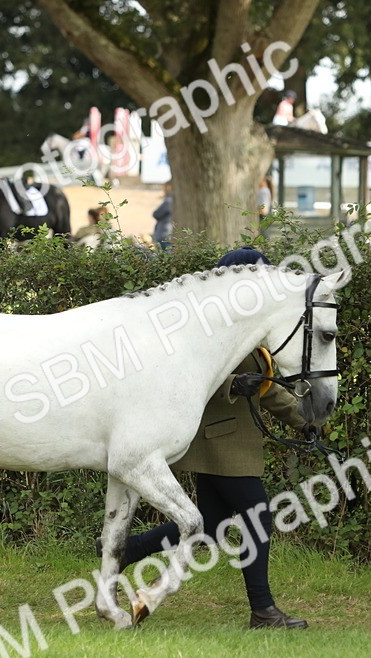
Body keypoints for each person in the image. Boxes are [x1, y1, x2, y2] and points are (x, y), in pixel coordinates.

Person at [100, 246, 311, 630]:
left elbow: (268, 388)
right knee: (257, 518)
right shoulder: (210, 332)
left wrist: (304, 419)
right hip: (219, 442)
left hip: (236, 442)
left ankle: (130, 549)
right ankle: (263, 610)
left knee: (212, 526)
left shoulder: (249, 333)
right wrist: (233, 383)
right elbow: (190, 381)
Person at [152, 182, 173, 251]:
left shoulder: (168, 201)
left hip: (164, 234)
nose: (164, 190)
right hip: (166, 233)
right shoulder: (170, 200)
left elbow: (156, 214)